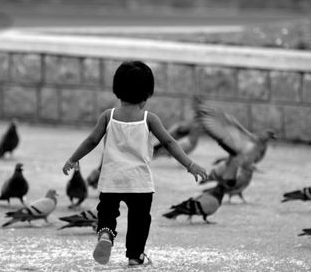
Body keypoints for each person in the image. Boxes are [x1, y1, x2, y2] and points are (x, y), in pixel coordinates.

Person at [62, 60, 207, 266]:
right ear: (147, 94)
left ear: (116, 90)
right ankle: (135, 256)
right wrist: (190, 164)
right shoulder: (149, 119)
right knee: (139, 220)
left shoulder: (108, 116)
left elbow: (91, 141)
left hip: (112, 179)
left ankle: (105, 235)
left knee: (107, 212)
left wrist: (73, 159)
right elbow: (169, 142)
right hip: (139, 182)